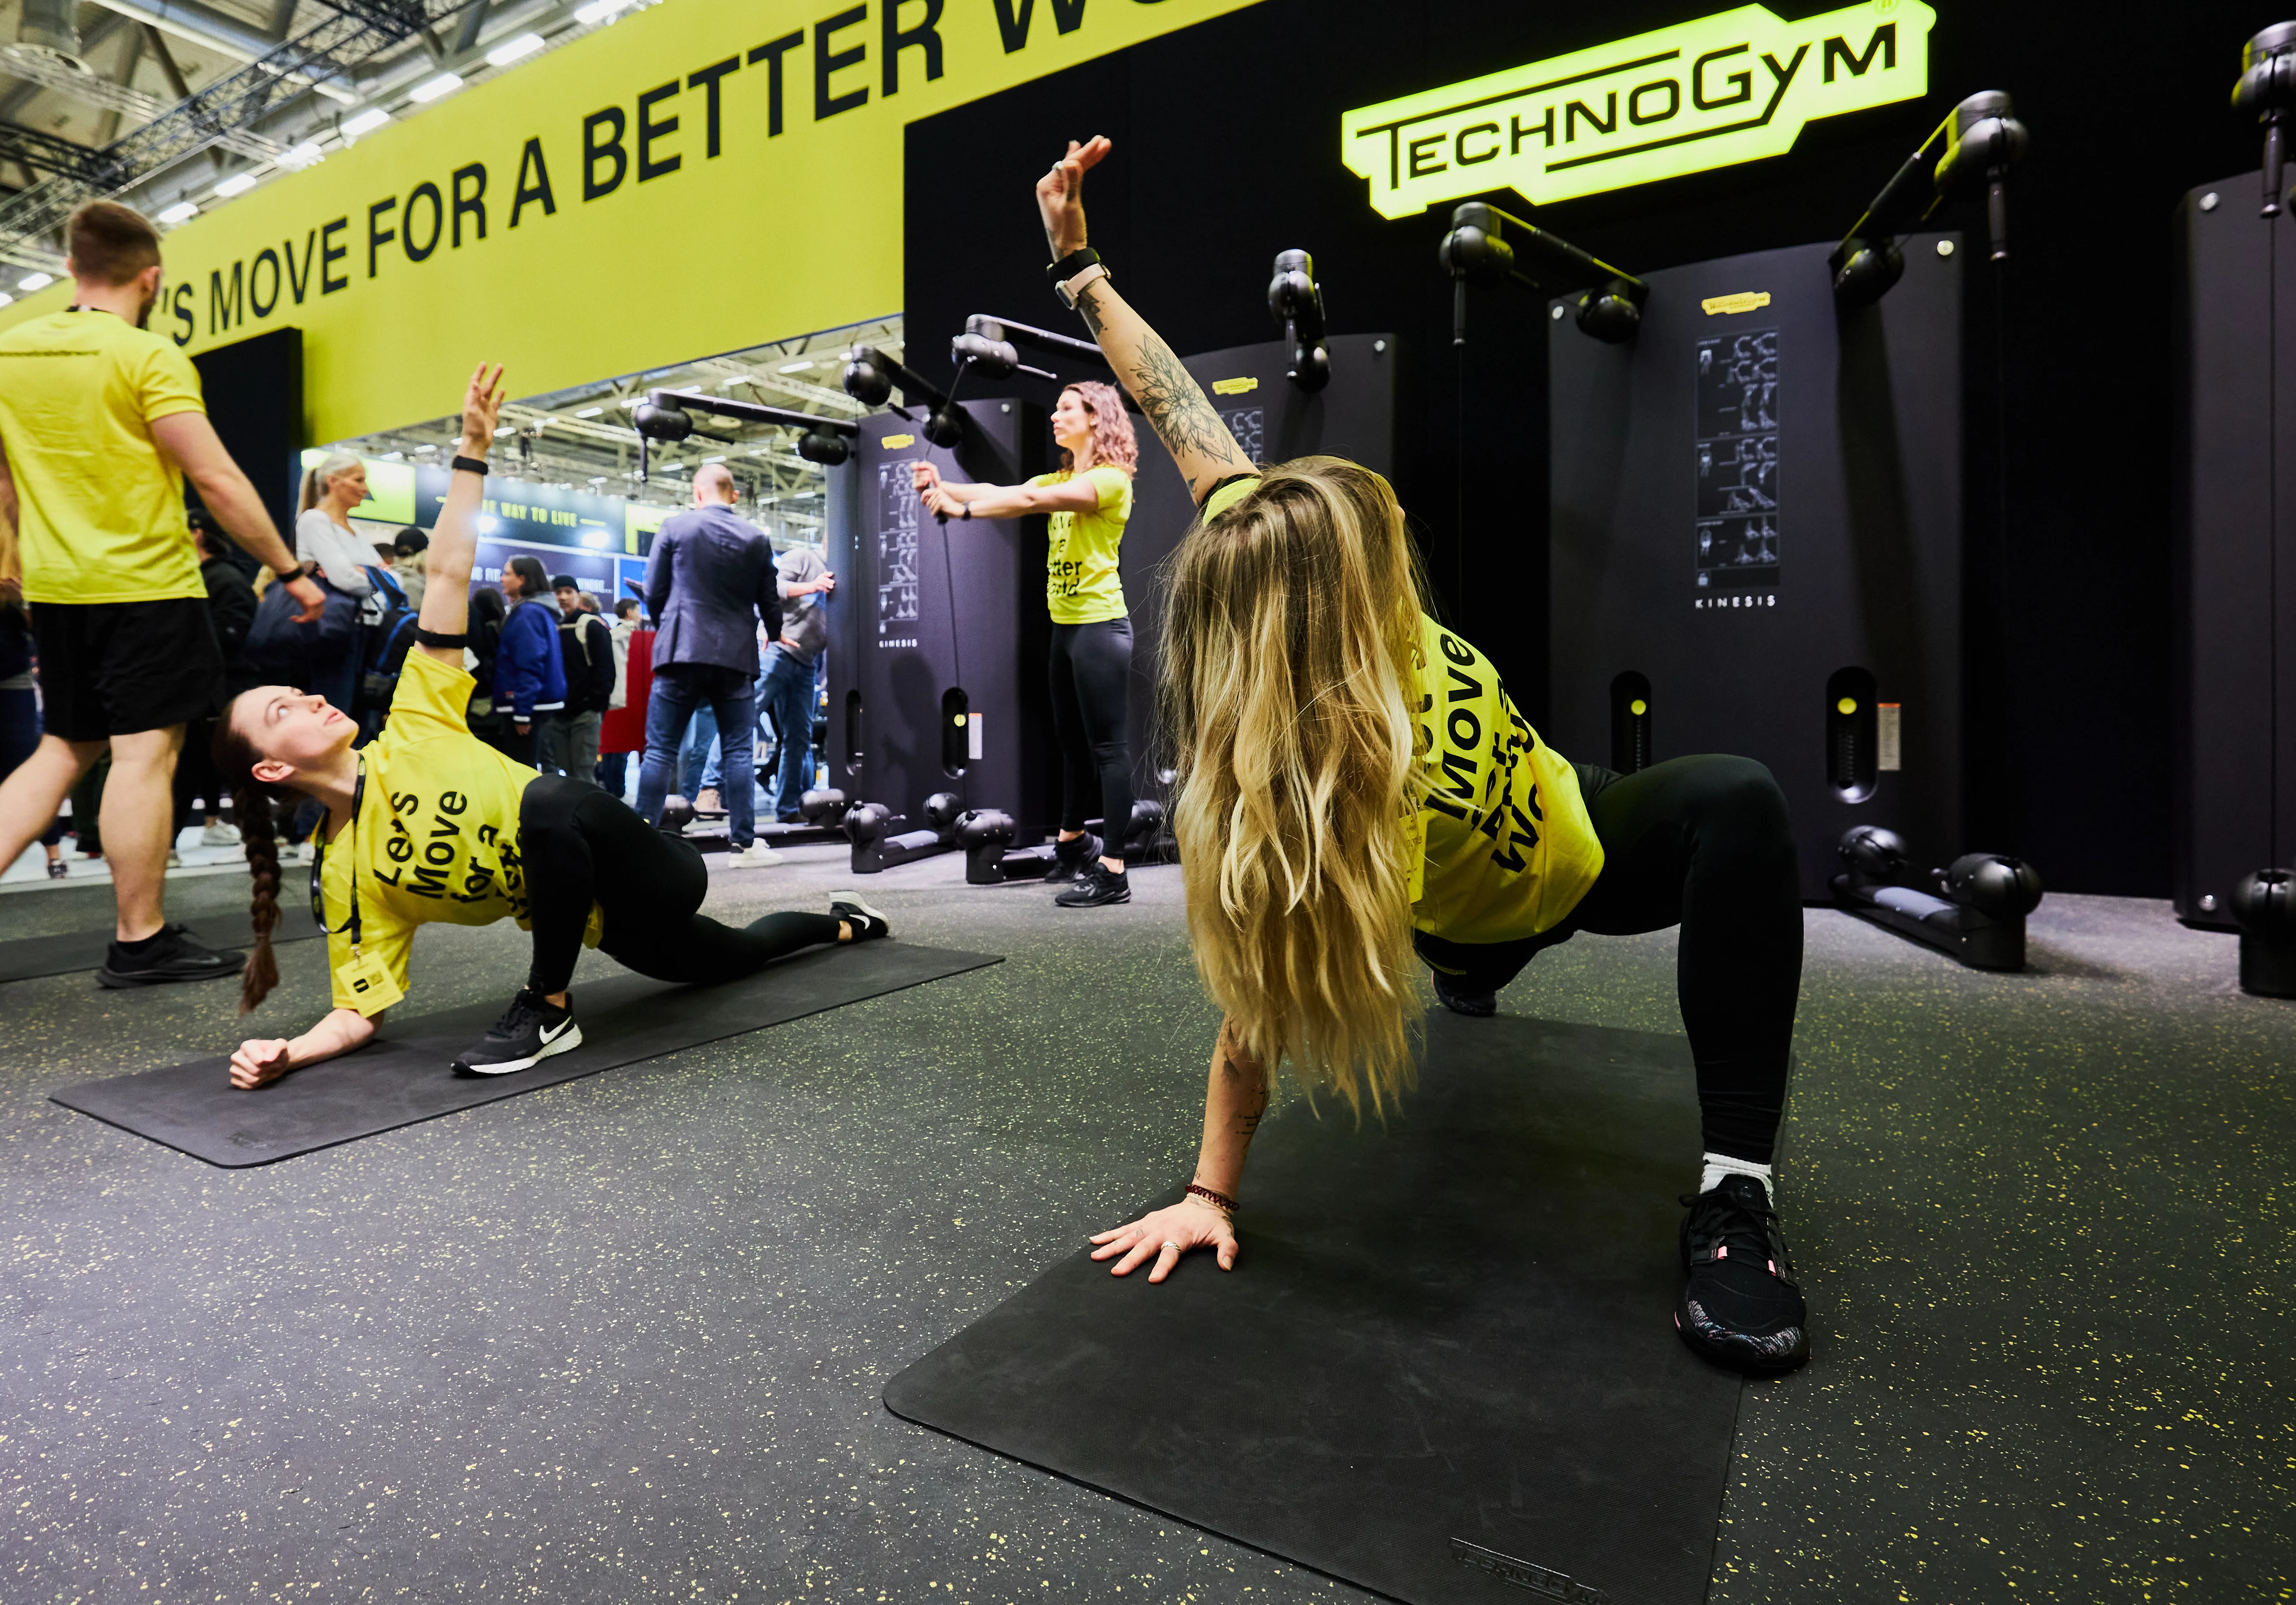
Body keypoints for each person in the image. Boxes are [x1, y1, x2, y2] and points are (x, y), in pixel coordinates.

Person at [1031, 138, 1808, 1376]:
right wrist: (1207, 1195)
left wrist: (1077, 262)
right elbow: (1251, 1015)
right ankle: (1477, 975)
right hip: (1478, 913)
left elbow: (1169, 398)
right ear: (1318, 613)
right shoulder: (1304, 803)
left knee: (1739, 800)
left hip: (1581, 824)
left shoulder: (1266, 535)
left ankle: (1736, 1192)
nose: (1388, 538)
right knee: (1466, 944)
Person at [213, 363, 895, 1090]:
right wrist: (287, 1050)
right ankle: (847, 921)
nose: (311, 700)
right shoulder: (350, 873)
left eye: (297, 693)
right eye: (282, 710)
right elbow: (358, 1011)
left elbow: (444, 576)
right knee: (737, 957)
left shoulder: (411, 720)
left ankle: (547, 1006)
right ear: (271, 771)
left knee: (541, 800)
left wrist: (472, 449)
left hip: (652, 863)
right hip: (605, 918)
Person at [0, 199, 326, 986]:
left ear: (71, 267)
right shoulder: (148, 356)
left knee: (62, 747)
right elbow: (215, 477)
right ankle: (140, 938)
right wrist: (291, 573)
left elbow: (4, 482)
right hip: (146, 585)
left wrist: (27, 566)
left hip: (58, 591)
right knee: (144, 754)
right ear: (151, 277)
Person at [913, 380, 1140, 909]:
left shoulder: (1110, 480)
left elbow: (1031, 500)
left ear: (1095, 417)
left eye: (1066, 409)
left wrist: (958, 510)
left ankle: (1113, 870)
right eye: (1056, 409)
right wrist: (945, 485)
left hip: (1100, 627)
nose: (1056, 418)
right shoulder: (1064, 475)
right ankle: (1072, 843)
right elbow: (1002, 491)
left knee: (1108, 750)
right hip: (1066, 629)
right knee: (1070, 745)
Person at [637, 464, 785, 864]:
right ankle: (743, 845)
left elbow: (653, 591)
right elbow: (770, 599)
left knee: (660, 750)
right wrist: (775, 629)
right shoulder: (757, 537)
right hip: (736, 655)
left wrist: (669, 621)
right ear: (733, 494)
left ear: (697, 493)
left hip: (680, 650)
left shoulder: (675, 527)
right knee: (738, 750)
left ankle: (639, 844)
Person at [0, 489, 71, 882]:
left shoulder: (18, 562)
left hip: (8, 678)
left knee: (23, 766)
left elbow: (49, 632)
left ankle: (54, 853)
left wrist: (23, 603)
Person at [186, 518, 259, 849]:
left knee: (215, 761)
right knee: (198, 763)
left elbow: (230, 636)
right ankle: (213, 825)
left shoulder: (224, 579)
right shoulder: (201, 577)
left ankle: (250, 832)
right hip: (201, 688)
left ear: (197, 533)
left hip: (216, 689)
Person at [294, 454, 380, 718]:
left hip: (366, 631)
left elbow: (395, 579)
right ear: (333, 481)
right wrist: (376, 577)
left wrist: (367, 576)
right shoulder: (315, 520)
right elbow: (344, 577)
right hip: (335, 630)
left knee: (361, 717)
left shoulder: (356, 532)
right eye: (359, 480)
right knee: (334, 713)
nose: (366, 489)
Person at [758, 539, 833, 823]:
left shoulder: (844, 576)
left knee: (799, 738)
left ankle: (788, 809)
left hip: (806, 664)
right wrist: (811, 585)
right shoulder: (803, 557)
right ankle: (711, 787)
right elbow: (772, 589)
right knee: (742, 720)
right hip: (775, 650)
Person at [492, 556, 567, 765]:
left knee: (522, 773)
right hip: (532, 705)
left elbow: (530, 663)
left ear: (522, 580)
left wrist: (523, 713)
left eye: (507, 574)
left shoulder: (528, 613)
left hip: (527, 708)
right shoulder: (535, 611)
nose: (502, 579)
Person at [546, 584, 616, 782]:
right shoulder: (552, 627)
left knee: (584, 774)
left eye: (569, 592)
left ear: (578, 596)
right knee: (568, 774)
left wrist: (594, 705)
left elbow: (606, 670)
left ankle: (589, 813)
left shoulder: (591, 626)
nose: (563, 597)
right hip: (558, 714)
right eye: (558, 592)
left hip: (585, 714)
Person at [598, 597, 649, 800]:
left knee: (611, 746)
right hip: (630, 696)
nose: (639, 615)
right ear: (629, 613)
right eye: (638, 611)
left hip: (611, 696)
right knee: (623, 748)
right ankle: (618, 792)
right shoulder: (633, 636)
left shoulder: (610, 635)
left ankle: (611, 788)